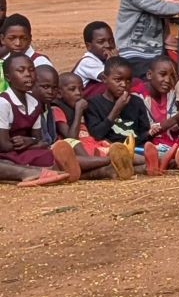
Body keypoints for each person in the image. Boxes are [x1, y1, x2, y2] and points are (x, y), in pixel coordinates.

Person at [0, 54, 89, 182]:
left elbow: (39, 140)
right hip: (6, 153)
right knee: (50, 160)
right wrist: (31, 142)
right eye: (21, 71)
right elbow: (4, 145)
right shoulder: (3, 103)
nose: (28, 74)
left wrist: (29, 141)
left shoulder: (34, 103)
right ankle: (106, 163)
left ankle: (105, 168)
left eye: (31, 70)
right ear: (8, 77)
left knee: (48, 155)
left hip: (23, 151)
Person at [84, 57, 159, 178]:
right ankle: (154, 164)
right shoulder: (93, 104)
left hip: (135, 149)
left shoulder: (136, 102)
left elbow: (140, 136)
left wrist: (150, 133)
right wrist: (116, 109)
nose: (124, 85)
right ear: (104, 79)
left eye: (128, 80)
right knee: (143, 158)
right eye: (118, 80)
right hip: (111, 149)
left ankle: (146, 166)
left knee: (150, 154)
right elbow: (96, 134)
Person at [73, 21, 116, 93]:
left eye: (111, 41)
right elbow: (111, 77)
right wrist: (114, 61)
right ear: (88, 46)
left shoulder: (104, 59)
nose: (108, 45)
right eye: (101, 42)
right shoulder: (87, 62)